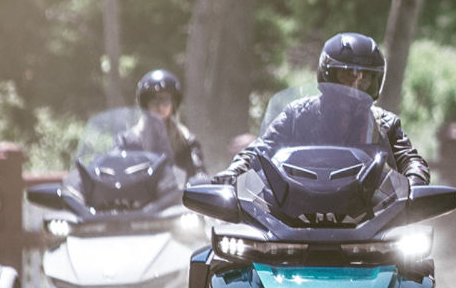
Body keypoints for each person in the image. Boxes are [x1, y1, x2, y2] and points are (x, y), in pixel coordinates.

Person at [213, 32, 429, 186]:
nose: (355, 85)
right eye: (348, 75)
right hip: (296, 207)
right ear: (328, 75)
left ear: (375, 82)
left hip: (369, 214)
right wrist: (234, 172)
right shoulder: (298, 114)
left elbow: (410, 159)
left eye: (364, 78)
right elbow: (260, 150)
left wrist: (416, 182)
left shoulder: (384, 124)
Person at [120, 68, 206, 179]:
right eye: (154, 101)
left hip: (177, 195)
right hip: (139, 195)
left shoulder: (186, 140)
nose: (160, 107)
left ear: (173, 105)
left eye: (165, 101)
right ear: (146, 104)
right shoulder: (128, 140)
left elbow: (199, 174)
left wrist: (200, 179)